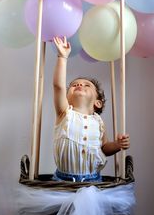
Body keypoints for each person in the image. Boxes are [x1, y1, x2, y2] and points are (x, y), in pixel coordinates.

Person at [52, 36, 130, 182]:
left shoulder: (98, 122)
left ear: (98, 103)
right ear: (66, 98)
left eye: (86, 85)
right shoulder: (65, 113)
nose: (79, 85)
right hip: (63, 182)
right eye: (74, 85)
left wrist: (117, 145)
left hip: (93, 182)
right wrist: (62, 57)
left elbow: (104, 148)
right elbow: (58, 86)